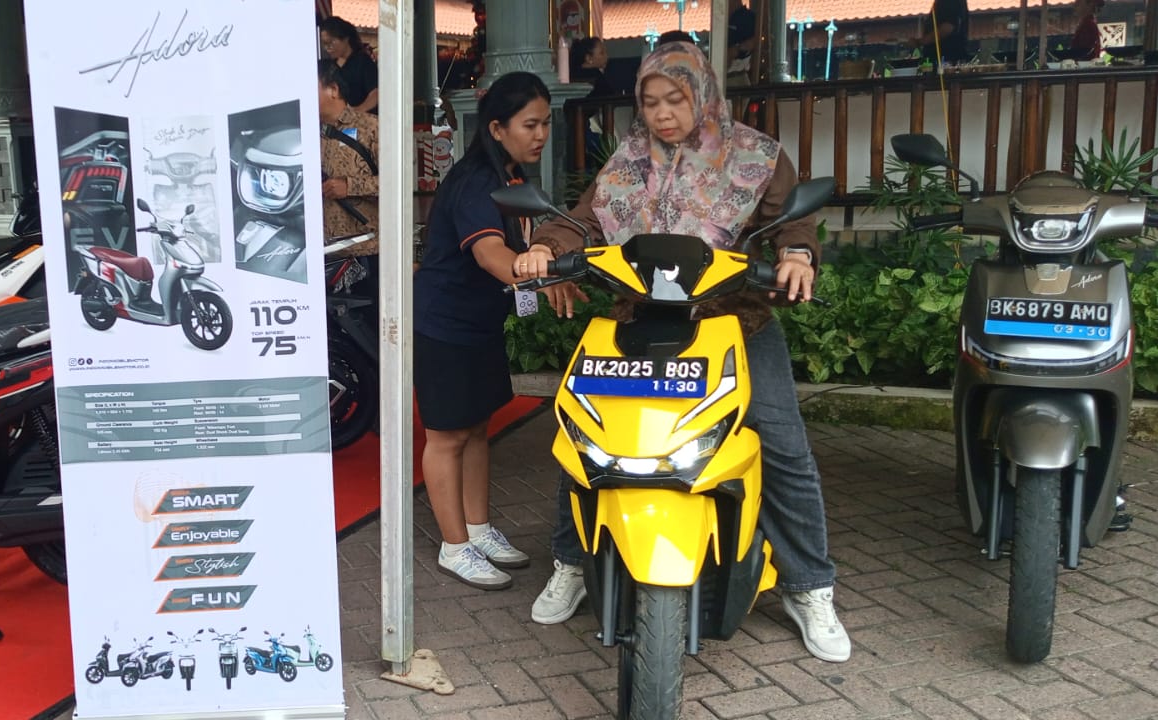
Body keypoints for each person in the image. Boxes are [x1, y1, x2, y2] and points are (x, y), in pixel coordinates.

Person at [524, 42, 852, 664]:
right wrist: (547, 246)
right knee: (588, 437)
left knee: (783, 445)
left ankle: (810, 586)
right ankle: (572, 561)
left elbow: (790, 222)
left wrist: (795, 255)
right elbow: (583, 220)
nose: (662, 114)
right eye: (650, 102)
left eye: (675, 99)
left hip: (734, 320)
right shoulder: (628, 162)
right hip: (641, 321)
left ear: (702, 95)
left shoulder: (755, 155)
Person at [414, 71, 556, 590]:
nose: (540, 134)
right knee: (447, 435)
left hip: (479, 321)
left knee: (477, 427)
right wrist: (532, 270)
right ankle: (455, 547)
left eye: (545, 123)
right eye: (529, 124)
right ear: (497, 128)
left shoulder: (510, 176)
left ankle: (478, 529)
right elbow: (490, 254)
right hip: (444, 324)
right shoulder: (476, 180)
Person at [317, 60, 379, 257]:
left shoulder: (371, 127)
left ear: (333, 89)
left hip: (365, 248)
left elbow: (397, 183)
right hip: (319, 251)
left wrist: (350, 186)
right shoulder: (301, 134)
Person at [319, 16, 379, 114]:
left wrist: (357, 111)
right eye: (324, 44)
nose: (327, 48)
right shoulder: (330, 66)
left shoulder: (363, 62)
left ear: (345, 38)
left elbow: (375, 93)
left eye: (331, 42)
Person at [907, 0, 970, 64]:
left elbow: (946, 28)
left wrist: (920, 42)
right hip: (945, 59)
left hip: (945, 60)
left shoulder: (949, 2)